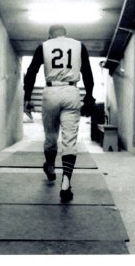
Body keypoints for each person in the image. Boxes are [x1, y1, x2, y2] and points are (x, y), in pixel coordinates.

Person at [23, 24, 95, 202]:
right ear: (65, 34)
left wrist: (27, 98)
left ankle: (50, 167)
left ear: (50, 35)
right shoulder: (79, 46)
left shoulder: (44, 46)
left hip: (51, 92)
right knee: (70, 139)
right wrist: (89, 96)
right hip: (72, 92)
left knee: (50, 136)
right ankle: (66, 183)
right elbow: (87, 73)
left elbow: (31, 72)